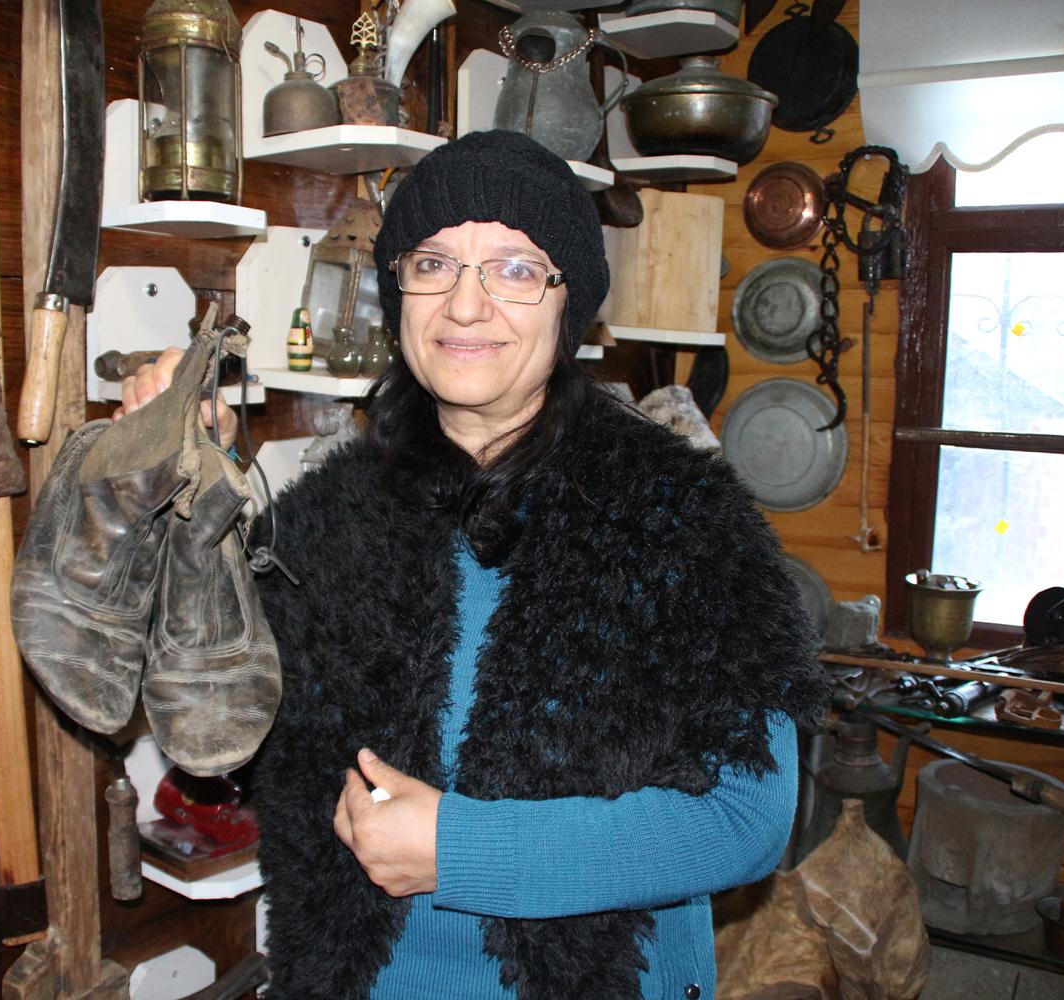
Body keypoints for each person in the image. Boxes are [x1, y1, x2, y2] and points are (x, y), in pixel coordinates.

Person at [117, 129, 831, 1000]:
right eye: (434, 264)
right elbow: (223, 729)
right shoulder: (325, 519)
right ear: (398, 294)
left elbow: (747, 820)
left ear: (568, 307)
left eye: (514, 269)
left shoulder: (677, 521)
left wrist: (460, 851)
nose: (465, 306)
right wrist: (194, 502)